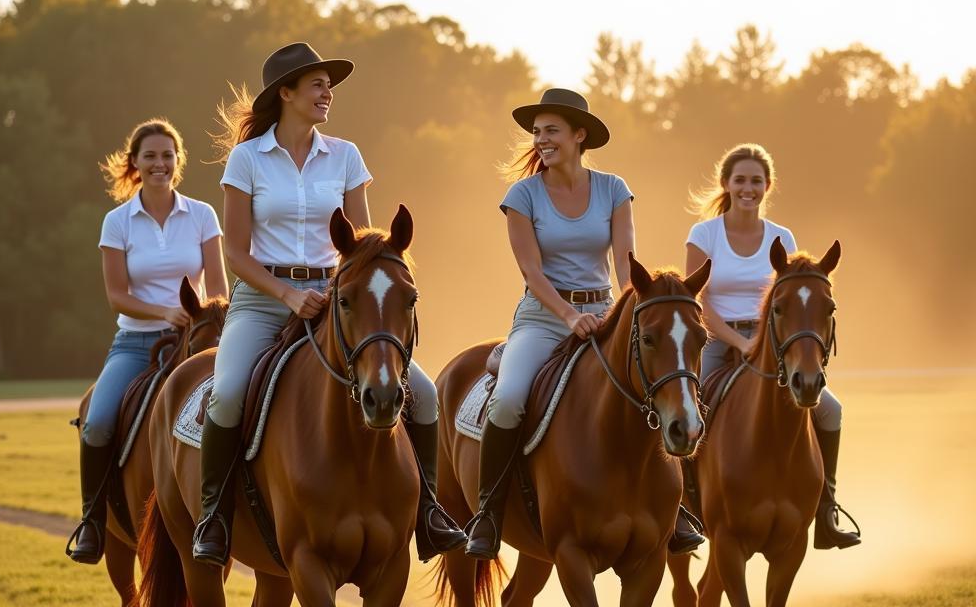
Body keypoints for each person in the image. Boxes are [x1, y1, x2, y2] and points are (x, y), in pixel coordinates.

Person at [191, 42, 465, 567]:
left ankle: (429, 512)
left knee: (424, 395)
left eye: (328, 85)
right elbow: (234, 252)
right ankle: (214, 519)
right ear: (286, 93)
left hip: (339, 301)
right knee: (225, 396)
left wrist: (340, 291)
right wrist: (290, 295)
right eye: (316, 84)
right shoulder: (246, 159)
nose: (326, 92)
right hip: (262, 302)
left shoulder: (345, 156)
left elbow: (365, 242)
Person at [464, 88, 705, 560]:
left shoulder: (614, 189)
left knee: (665, 385)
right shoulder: (523, 195)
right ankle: (489, 514)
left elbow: (623, 260)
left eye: (551, 130)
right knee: (510, 399)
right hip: (542, 319)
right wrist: (570, 316)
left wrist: (616, 311)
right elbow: (531, 271)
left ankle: (673, 511)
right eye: (536, 132)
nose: (541, 139)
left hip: (607, 313)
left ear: (579, 136)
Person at [685, 142, 861, 550]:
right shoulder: (704, 234)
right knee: (686, 406)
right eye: (740, 180)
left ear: (768, 186)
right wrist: (739, 341)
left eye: (756, 181)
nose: (748, 188)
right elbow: (698, 299)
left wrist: (764, 343)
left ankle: (826, 510)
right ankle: (681, 510)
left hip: (773, 342)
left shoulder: (782, 237)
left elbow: (794, 301)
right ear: (726, 184)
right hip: (714, 337)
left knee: (831, 410)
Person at [67, 119, 228, 565]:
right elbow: (117, 294)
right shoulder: (117, 221)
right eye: (150, 156)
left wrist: (197, 320)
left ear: (178, 162)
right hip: (135, 344)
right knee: (97, 421)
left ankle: (232, 514)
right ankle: (92, 522)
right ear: (135, 163)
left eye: (167, 155)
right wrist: (163, 312)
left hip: (195, 344)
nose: (160, 163)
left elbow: (218, 289)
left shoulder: (202, 215)